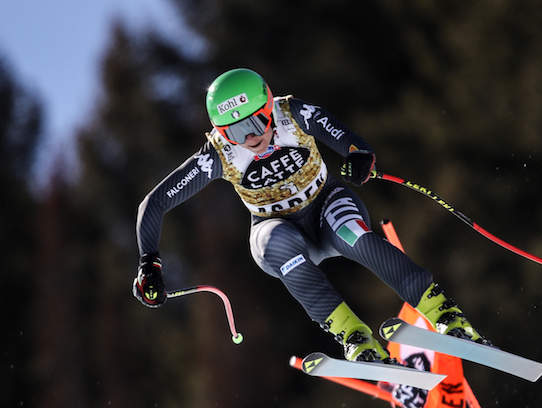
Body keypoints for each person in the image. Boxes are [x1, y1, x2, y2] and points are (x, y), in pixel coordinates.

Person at [133, 68, 485, 366]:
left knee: (352, 232)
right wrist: (149, 263)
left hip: (326, 206)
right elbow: (155, 201)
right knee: (275, 243)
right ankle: (354, 336)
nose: (251, 137)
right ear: (221, 133)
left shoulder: (292, 114)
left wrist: (359, 156)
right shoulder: (218, 155)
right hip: (278, 228)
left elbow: (345, 137)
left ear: (269, 108)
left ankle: (443, 313)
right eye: (235, 132)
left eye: (256, 122)